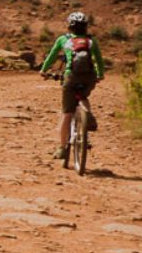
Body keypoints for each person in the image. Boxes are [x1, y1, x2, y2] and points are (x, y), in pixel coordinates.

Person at [38, 10, 106, 159]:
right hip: (89, 77)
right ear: (85, 26)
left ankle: (62, 148)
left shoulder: (63, 40)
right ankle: (87, 116)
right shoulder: (91, 41)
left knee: (66, 113)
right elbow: (99, 60)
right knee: (83, 96)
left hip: (71, 76)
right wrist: (100, 74)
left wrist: (43, 70)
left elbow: (52, 57)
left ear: (70, 26)